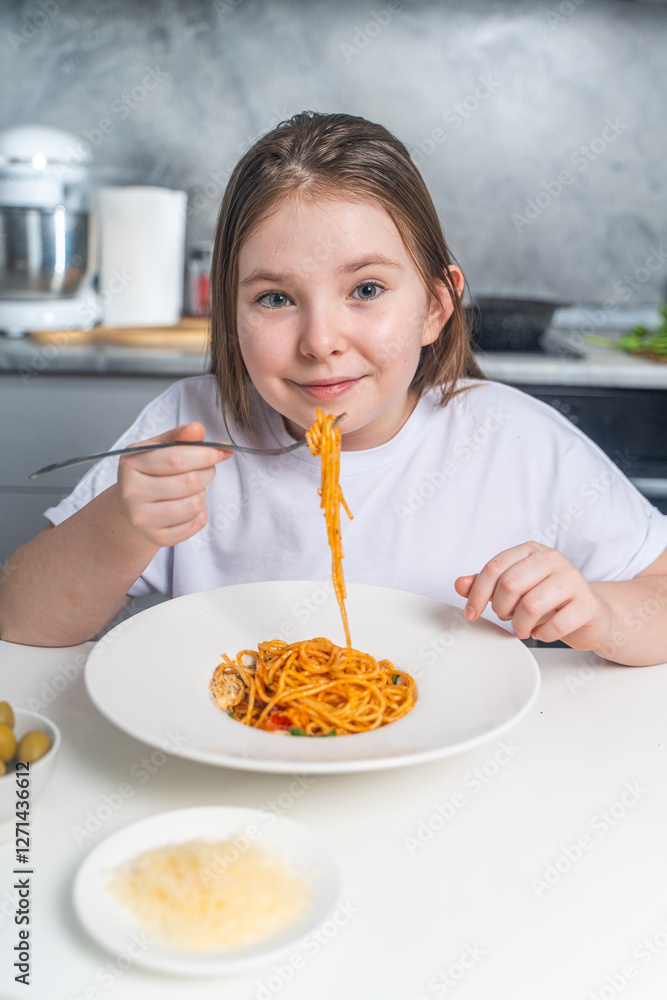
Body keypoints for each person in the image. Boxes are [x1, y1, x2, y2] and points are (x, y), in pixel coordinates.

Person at [1, 111, 666, 665]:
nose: (320, 340)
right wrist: (122, 522)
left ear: (435, 306)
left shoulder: (514, 441)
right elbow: (21, 622)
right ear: (228, 315)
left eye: (366, 290)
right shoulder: (191, 423)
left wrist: (599, 611)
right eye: (275, 298)